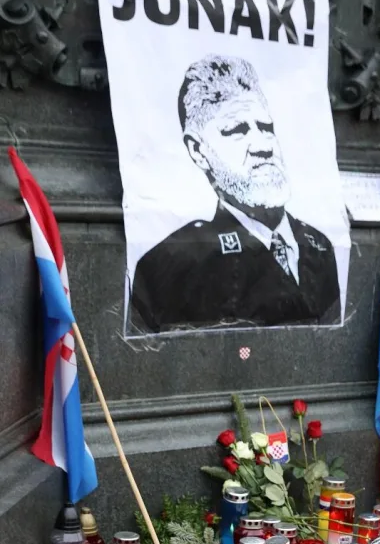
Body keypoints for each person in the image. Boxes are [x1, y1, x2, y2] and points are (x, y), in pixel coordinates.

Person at [128, 54, 340, 334]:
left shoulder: (318, 246)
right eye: (237, 131)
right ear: (198, 150)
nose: (263, 146)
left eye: (266, 128)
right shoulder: (168, 265)